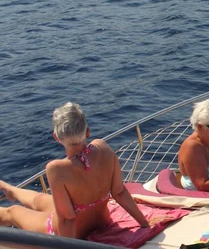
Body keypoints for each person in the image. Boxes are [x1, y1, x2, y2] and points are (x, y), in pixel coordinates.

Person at [0, 102, 151, 238]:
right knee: (39, 200)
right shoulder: (103, 147)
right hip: (102, 221)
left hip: (77, 233)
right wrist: (144, 224)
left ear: (56, 137)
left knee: (13, 212)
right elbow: (119, 192)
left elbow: (67, 219)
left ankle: (11, 193)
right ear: (87, 132)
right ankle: (10, 190)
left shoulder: (57, 169)